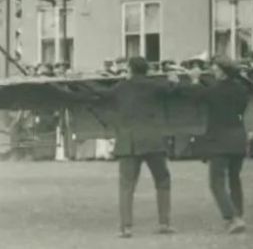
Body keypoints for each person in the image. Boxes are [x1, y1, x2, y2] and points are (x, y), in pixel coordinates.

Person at [65, 55, 174, 238]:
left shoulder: (122, 87)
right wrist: (174, 80)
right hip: (153, 141)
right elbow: (175, 91)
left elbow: (100, 92)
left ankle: (126, 227)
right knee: (163, 180)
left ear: (130, 69)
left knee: (126, 186)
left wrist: (79, 80)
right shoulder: (156, 85)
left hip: (129, 142)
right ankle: (164, 223)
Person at [172, 56, 251, 234]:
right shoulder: (241, 89)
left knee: (216, 182)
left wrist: (193, 79)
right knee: (234, 179)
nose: (213, 71)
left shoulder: (215, 90)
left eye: (215, 68)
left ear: (222, 72)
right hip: (238, 138)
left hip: (219, 140)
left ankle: (232, 217)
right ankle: (238, 214)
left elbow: (196, 96)